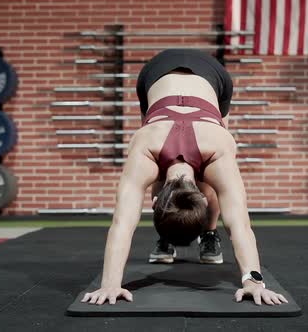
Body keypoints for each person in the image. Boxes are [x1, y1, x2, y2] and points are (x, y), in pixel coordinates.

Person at [81, 49, 288, 306]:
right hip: (177, 73)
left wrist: (110, 285)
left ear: (154, 201)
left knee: (199, 175)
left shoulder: (150, 146)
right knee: (219, 180)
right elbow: (240, 226)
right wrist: (253, 281)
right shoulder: (216, 148)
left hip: (180, 74)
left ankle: (200, 235)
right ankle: (200, 237)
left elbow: (123, 224)